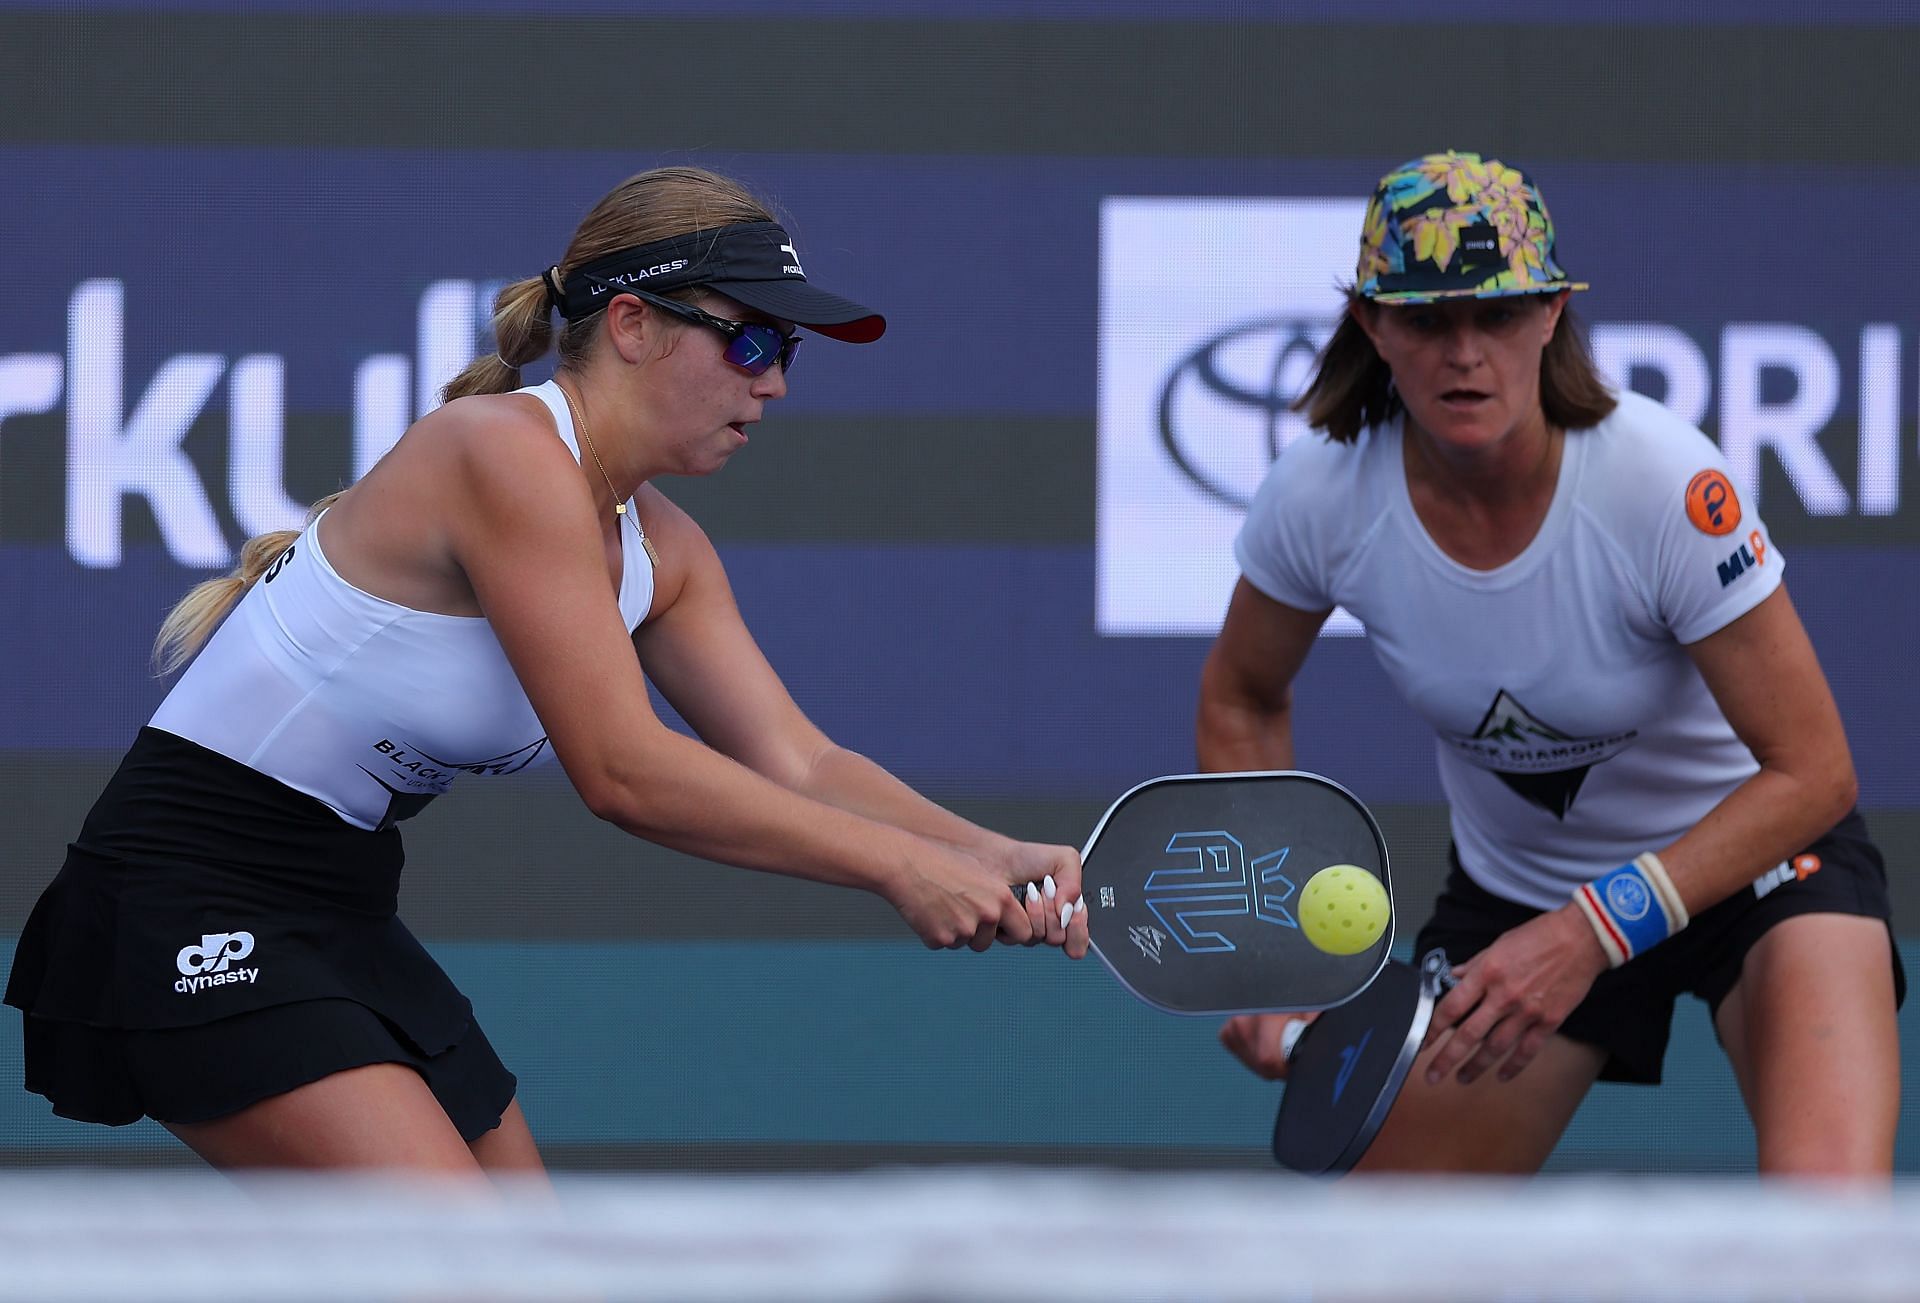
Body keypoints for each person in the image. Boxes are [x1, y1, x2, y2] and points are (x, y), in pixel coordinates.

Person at [6, 165, 1090, 1180]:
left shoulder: (667, 553)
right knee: (468, 1279)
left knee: (536, 1274)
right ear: (631, 324)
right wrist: (899, 868)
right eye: (753, 341)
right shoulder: (503, 453)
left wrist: (990, 854)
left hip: (337, 903)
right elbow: (623, 772)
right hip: (178, 894)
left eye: (789, 353)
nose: (776, 385)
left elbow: (800, 761)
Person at [1203, 151, 1902, 1176]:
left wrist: (1590, 930)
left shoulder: (1660, 483)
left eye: (1496, 315)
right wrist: (1280, 948)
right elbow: (1241, 696)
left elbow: (1815, 772)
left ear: (1551, 317)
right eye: (1428, 320)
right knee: (1375, 1274)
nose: (1465, 354)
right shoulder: (1321, 495)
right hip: (1520, 894)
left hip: (1758, 873)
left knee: (1832, 1241)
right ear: (1372, 325)